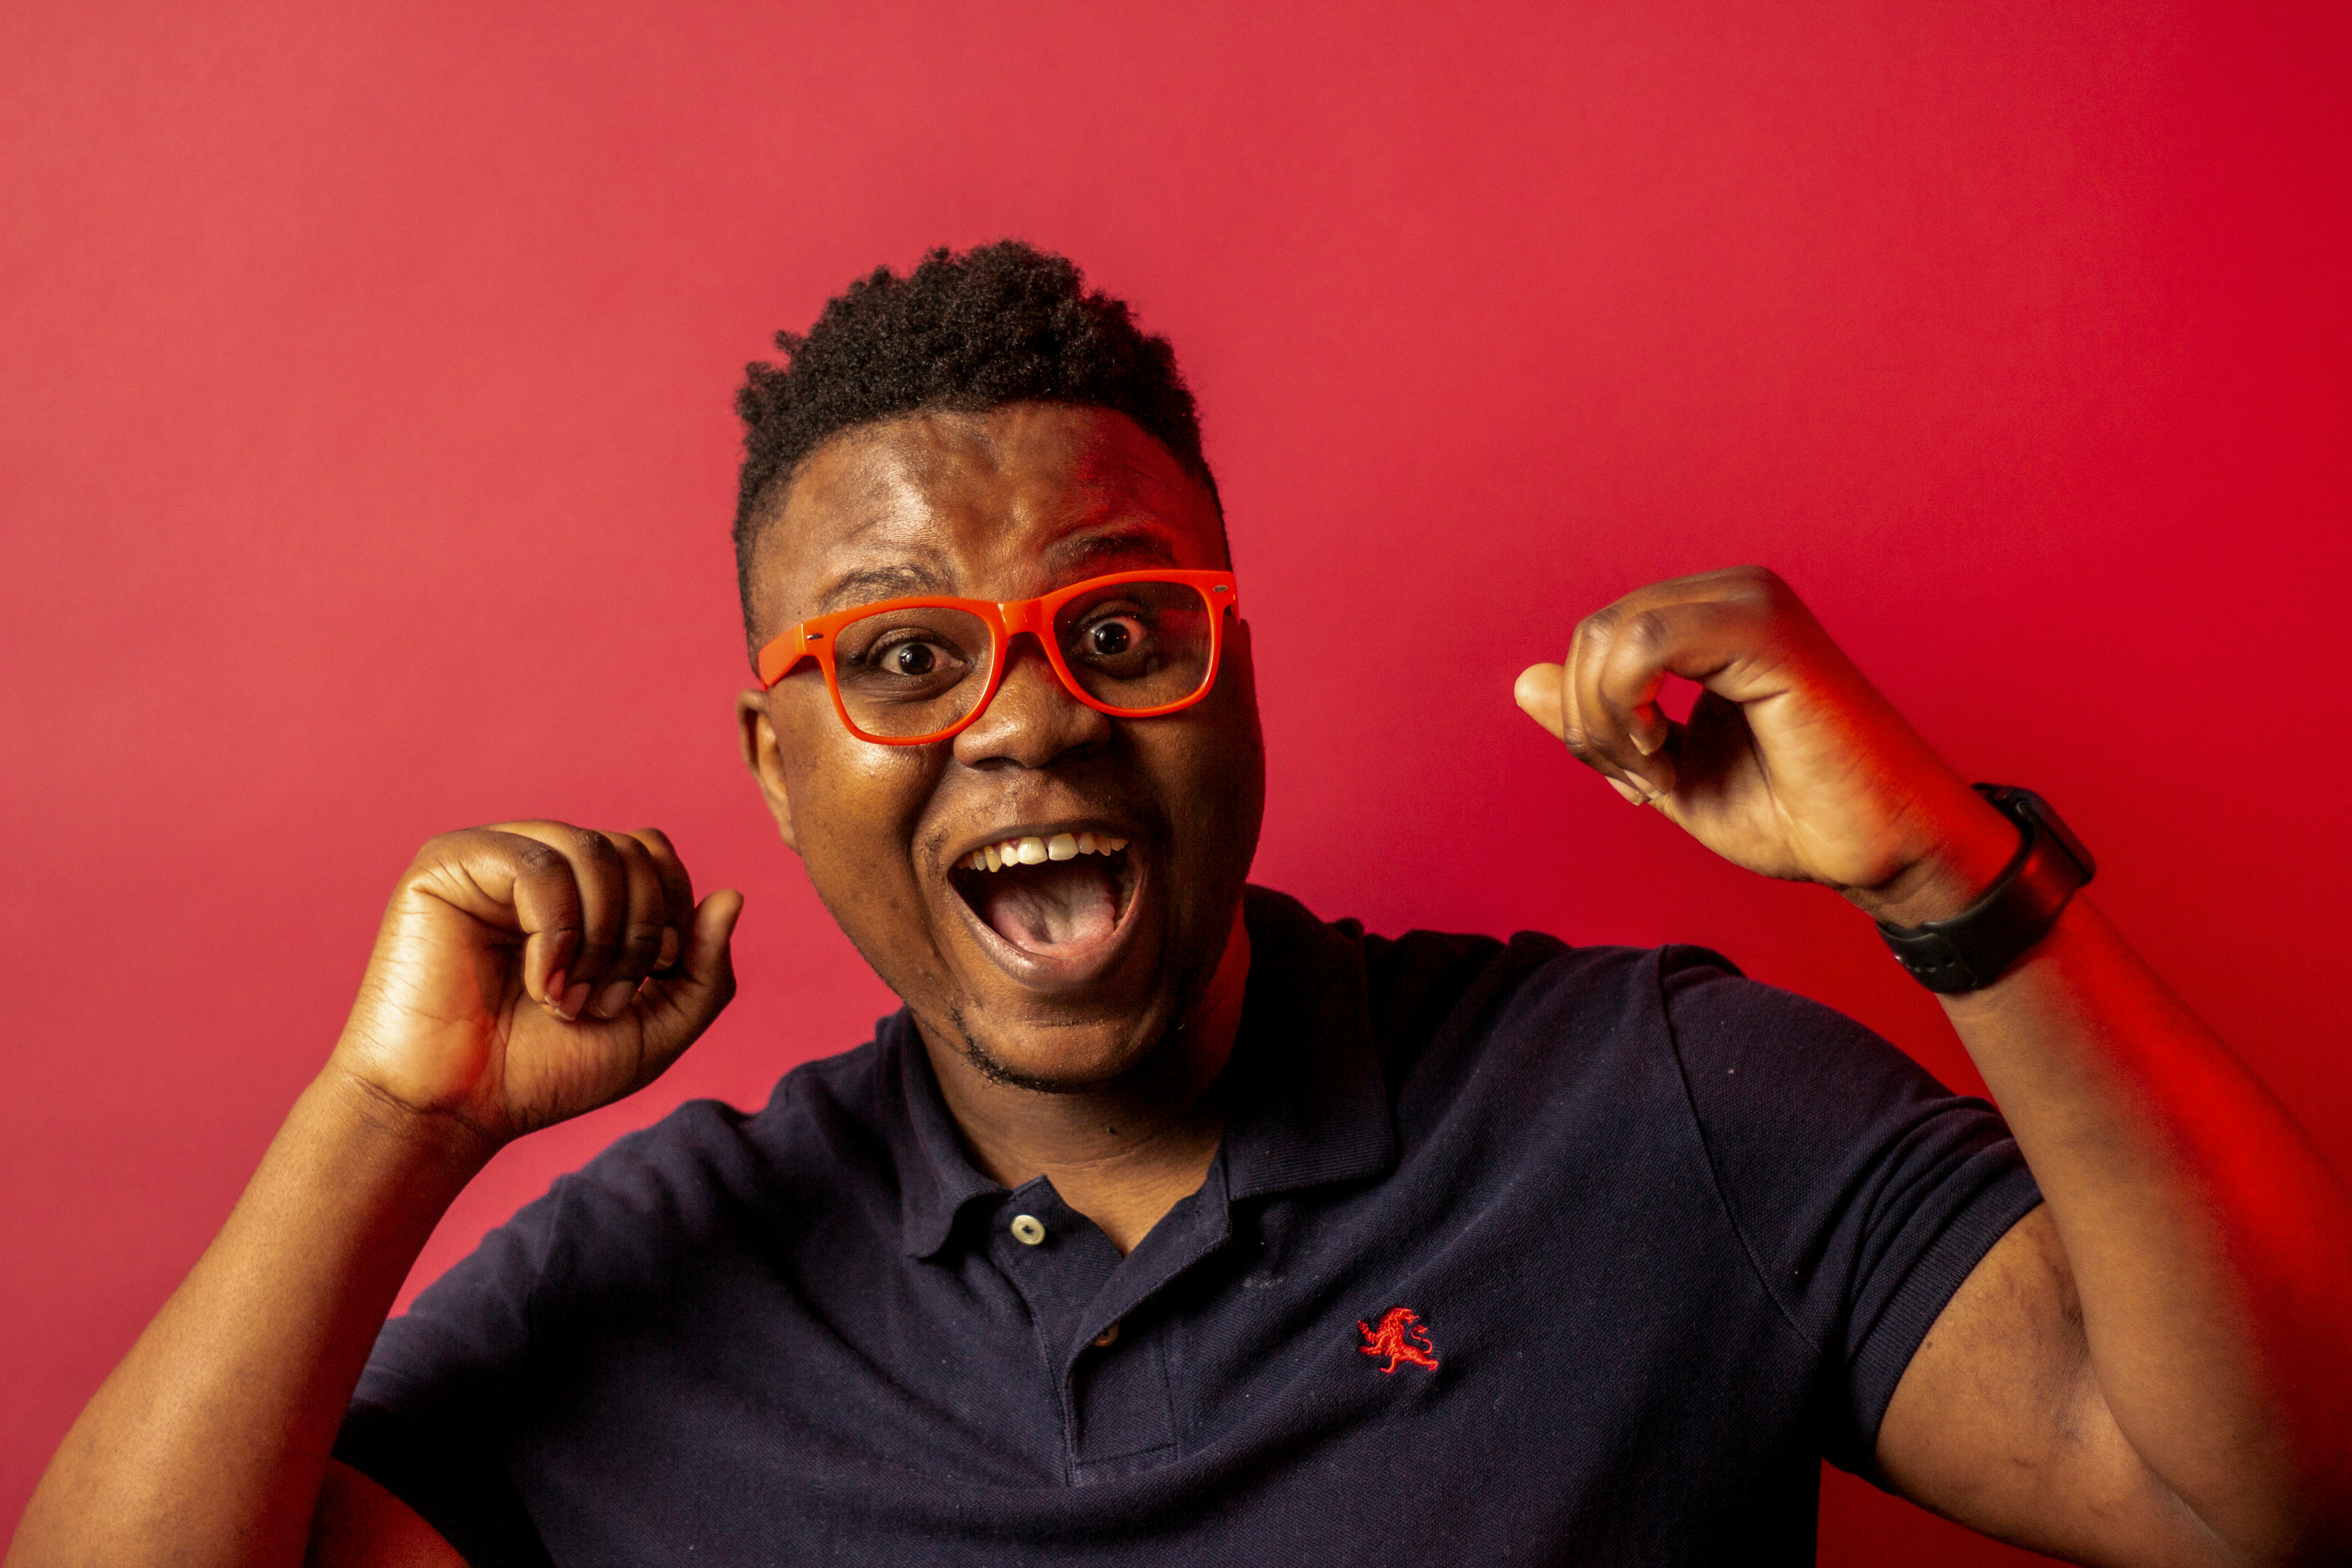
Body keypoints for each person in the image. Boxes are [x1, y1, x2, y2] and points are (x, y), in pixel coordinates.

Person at [10, 242, 2350, 1568]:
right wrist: (387, 1118)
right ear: (777, 766)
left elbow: (2263, 1491)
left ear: (1236, 673)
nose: (1025, 722)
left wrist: (1954, 876)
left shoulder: (1650, 1103)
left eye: (1118, 625)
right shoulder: (673, 1270)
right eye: (902, 662)